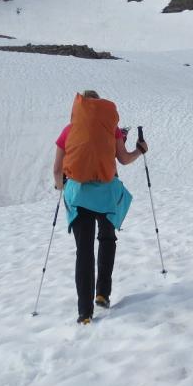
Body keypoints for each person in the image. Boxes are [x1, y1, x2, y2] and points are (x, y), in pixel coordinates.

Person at [52, 90, 148, 324]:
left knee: (83, 252)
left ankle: (84, 313)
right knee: (106, 240)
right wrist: (140, 150)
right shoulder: (111, 129)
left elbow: (57, 171)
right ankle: (102, 292)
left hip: (78, 195)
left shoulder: (69, 130)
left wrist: (61, 187)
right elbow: (123, 159)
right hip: (105, 195)